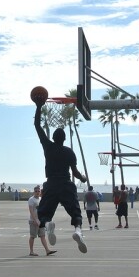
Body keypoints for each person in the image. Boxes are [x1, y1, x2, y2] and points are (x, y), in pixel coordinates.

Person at [33, 95, 88, 253]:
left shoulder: (48, 147)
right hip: (65, 184)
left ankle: (48, 224)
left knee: (43, 214)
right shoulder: (69, 152)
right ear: (64, 139)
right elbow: (75, 173)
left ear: (53, 138)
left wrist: (39, 106)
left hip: (51, 184)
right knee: (75, 212)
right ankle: (77, 231)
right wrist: (83, 178)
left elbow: (37, 126)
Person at [28, 185, 56, 256]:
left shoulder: (41, 199)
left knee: (43, 236)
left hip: (41, 221)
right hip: (33, 221)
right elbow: (31, 211)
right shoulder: (31, 200)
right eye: (36, 191)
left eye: (38, 191)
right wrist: (35, 220)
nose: (37, 192)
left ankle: (47, 250)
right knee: (32, 236)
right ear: (34, 192)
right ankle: (31, 251)